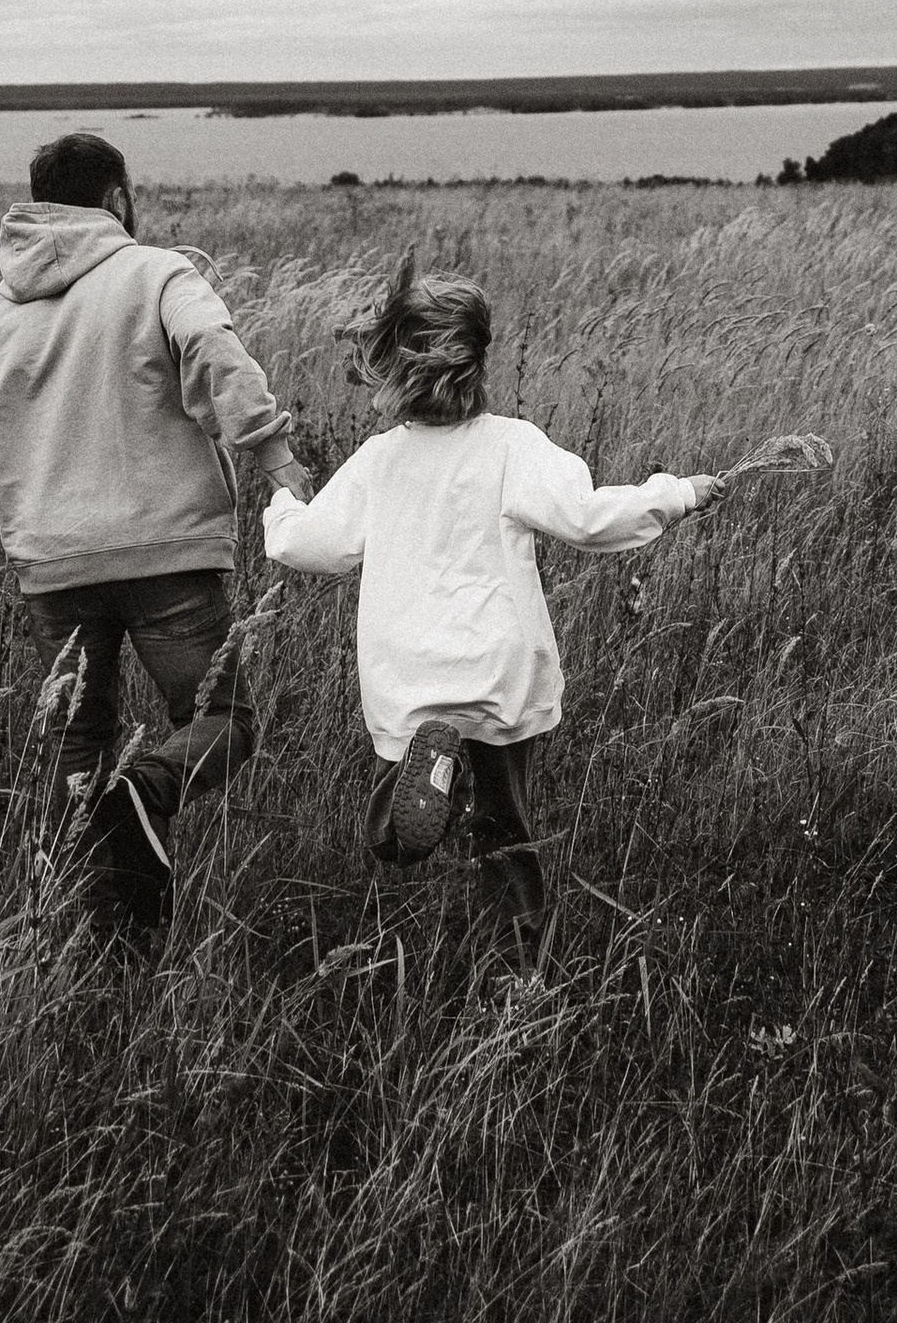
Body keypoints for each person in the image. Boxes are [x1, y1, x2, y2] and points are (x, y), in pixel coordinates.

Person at [0, 130, 307, 925]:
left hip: (55, 571)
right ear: (116, 199)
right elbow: (213, 344)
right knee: (225, 720)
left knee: (78, 747)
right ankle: (144, 796)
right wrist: (274, 453)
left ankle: (100, 926)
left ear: (40, 206)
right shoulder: (155, 273)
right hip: (167, 561)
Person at [262, 253, 720, 959]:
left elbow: (307, 547)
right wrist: (676, 493)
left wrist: (283, 504)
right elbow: (590, 519)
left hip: (413, 676)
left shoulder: (380, 461)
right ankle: (515, 969)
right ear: (479, 363)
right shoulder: (512, 447)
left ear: (396, 365)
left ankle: (418, 793)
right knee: (507, 830)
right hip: (499, 672)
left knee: (397, 830)